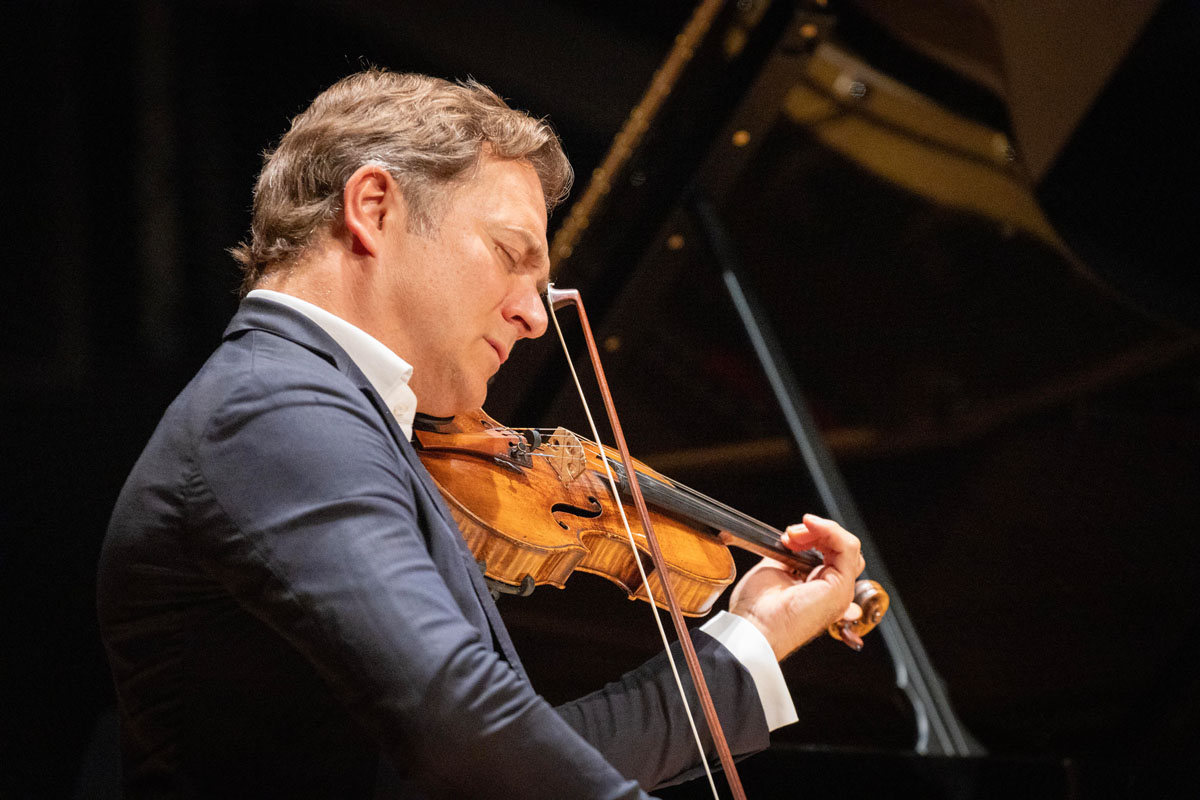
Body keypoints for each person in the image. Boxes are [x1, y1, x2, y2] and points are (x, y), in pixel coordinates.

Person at [97, 69, 866, 799]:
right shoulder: (276, 411)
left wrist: (752, 638)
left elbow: (495, 766)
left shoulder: (323, 414)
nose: (534, 316)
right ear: (374, 208)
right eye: (509, 255)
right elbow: (464, 725)